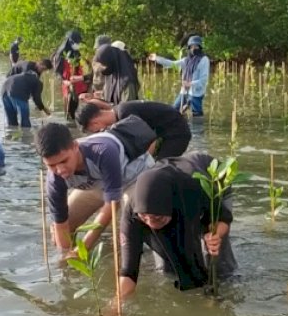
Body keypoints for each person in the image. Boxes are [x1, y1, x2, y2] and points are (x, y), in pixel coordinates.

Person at [118, 152, 238, 299]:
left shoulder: (194, 188)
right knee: (165, 268)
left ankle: (223, 288)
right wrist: (117, 303)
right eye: (145, 218)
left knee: (216, 258)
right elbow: (128, 270)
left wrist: (216, 236)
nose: (151, 224)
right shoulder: (132, 210)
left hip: (211, 181)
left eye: (157, 218)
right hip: (171, 198)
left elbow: (224, 217)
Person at [36, 122, 154, 257]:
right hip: (98, 185)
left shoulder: (103, 151)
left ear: (75, 146)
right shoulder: (54, 179)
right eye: (51, 165)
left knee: (127, 233)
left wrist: (84, 248)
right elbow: (61, 224)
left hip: (135, 178)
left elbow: (112, 205)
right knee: (61, 231)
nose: (60, 170)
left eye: (64, 161)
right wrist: (67, 257)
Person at [76, 100, 191, 159]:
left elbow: (150, 140)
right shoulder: (120, 111)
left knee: (160, 169)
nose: (96, 132)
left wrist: (145, 165)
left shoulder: (125, 114)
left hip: (177, 134)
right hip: (167, 133)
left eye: (91, 130)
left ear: (94, 123)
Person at [149, 35, 210, 116]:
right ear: (189, 48)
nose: (194, 49)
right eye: (192, 46)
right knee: (174, 110)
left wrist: (190, 84)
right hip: (184, 92)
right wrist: (157, 58)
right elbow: (172, 64)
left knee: (197, 116)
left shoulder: (204, 60)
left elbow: (203, 80)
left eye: (196, 46)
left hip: (196, 93)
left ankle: (196, 128)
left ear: (200, 47)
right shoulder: (186, 60)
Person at [51, 30, 91, 120]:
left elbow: (81, 67)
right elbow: (57, 73)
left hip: (79, 83)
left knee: (81, 109)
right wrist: (65, 81)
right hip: (69, 85)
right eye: (77, 42)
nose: (78, 44)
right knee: (70, 110)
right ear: (70, 41)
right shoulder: (60, 55)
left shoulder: (76, 52)